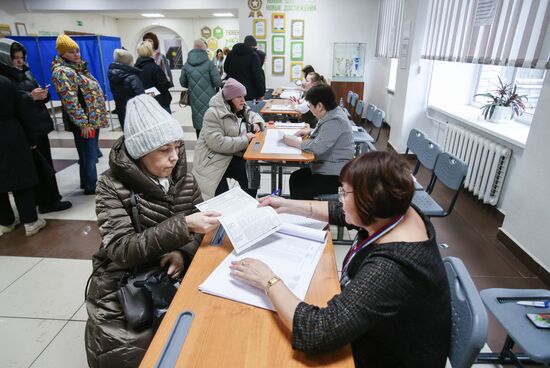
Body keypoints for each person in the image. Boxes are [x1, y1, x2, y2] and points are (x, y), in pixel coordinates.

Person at [231, 151, 451, 368]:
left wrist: (268, 280)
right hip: (381, 334)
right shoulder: (396, 209)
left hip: (387, 357)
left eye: (345, 193)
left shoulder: (393, 267)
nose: (340, 199)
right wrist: (287, 205)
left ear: (368, 203)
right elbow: (341, 212)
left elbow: (317, 332)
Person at [85, 94, 220, 368]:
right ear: (139, 153)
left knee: (203, 337)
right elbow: (121, 250)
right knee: (132, 352)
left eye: (177, 147)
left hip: (167, 273)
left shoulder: (182, 177)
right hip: (125, 279)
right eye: (163, 150)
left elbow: (194, 225)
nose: (174, 157)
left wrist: (182, 251)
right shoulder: (111, 187)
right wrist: (183, 226)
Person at [0, 39, 72, 214]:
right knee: (35, 168)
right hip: (25, 128)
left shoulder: (25, 72)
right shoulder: (6, 78)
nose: (19, 61)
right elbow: (13, 104)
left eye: (21, 57)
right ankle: (44, 201)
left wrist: (43, 95)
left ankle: (49, 197)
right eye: (15, 58)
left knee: (44, 164)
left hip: (37, 124)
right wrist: (30, 97)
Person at [51, 34, 108, 195]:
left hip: (91, 119)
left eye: (76, 50)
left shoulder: (79, 68)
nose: (76, 54)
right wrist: (83, 123)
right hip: (84, 122)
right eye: (71, 52)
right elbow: (71, 101)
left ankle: (89, 182)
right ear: (62, 54)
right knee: (88, 154)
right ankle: (91, 185)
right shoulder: (63, 72)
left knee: (89, 154)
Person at [192, 78, 264, 199]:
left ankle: (249, 205)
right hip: (212, 159)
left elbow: (254, 115)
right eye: (239, 97)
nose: (243, 100)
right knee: (222, 199)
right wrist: (245, 140)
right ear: (229, 99)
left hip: (230, 156)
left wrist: (257, 123)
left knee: (251, 173)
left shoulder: (240, 108)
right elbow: (216, 142)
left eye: (243, 96)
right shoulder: (213, 113)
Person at [283, 84, 354, 199]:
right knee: (296, 177)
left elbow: (317, 148)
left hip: (336, 175)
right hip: (331, 168)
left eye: (310, 105)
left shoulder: (335, 120)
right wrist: (310, 131)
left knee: (300, 186)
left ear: (320, 105)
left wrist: (295, 142)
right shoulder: (333, 113)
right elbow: (326, 134)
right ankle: (298, 210)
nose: (309, 109)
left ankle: (304, 213)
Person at [0, 73, 46, 236]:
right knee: (20, 177)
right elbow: (22, 110)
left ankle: (5, 221)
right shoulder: (5, 81)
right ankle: (30, 221)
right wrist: (31, 137)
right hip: (9, 133)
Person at [180, 39, 222, 138]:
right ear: (204, 49)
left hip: (194, 99)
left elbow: (183, 83)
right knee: (210, 122)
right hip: (210, 99)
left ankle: (200, 146)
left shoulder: (186, 65)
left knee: (198, 122)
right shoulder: (209, 64)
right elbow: (217, 82)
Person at [108, 48, 144, 129]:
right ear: (128, 62)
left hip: (121, 110)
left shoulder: (112, 75)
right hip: (135, 112)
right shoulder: (132, 77)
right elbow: (141, 97)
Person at [135, 41, 173, 113]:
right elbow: (163, 86)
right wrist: (167, 80)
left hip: (144, 103)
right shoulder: (154, 68)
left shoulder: (135, 68)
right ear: (150, 51)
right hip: (159, 103)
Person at [223, 36, 265, 101]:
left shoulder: (231, 54)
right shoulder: (253, 55)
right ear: (253, 46)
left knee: (234, 110)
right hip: (249, 92)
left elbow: (226, 69)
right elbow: (257, 76)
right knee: (247, 110)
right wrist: (261, 93)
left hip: (233, 91)